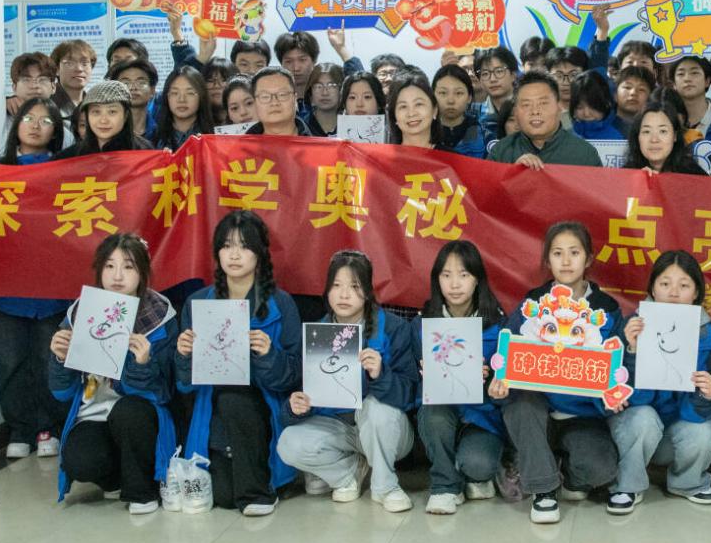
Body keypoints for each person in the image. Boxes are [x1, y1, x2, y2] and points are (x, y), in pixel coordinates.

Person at [489, 222, 622, 524]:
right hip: (539, 411)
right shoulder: (533, 304)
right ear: (547, 261)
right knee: (519, 406)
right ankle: (544, 489)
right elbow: (506, 353)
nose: (566, 261)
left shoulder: (606, 309)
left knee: (601, 470)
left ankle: (563, 471)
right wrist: (499, 379)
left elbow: (615, 369)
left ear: (588, 259)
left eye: (574, 252)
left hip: (582, 416)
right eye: (557, 253)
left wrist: (611, 395)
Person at [175, 212, 301, 516]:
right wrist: (184, 355)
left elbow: (295, 376)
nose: (234, 255)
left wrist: (269, 355)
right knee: (223, 497)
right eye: (227, 246)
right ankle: (244, 479)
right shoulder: (198, 303)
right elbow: (183, 384)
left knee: (235, 398)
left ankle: (258, 494)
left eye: (244, 246)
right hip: (213, 408)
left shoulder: (281, 303)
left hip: (263, 403)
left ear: (259, 254)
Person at [277, 251, 417, 513]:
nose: (344, 295)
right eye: (336, 286)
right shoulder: (316, 333)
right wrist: (295, 406)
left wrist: (380, 375)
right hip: (339, 429)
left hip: (388, 432)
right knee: (288, 443)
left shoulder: (393, 327)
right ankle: (348, 474)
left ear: (368, 292)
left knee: (377, 409)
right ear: (327, 290)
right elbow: (297, 395)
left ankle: (385, 486)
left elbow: (410, 395)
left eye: (354, 287)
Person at [48, 234, 177, 514]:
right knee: (79, 460)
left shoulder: (159, 317)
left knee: (129, 412)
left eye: (128, 267)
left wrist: (142, 363)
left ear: (143, 273)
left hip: (140, 413)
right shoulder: (82, 311)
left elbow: (165, 392)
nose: (117, 276)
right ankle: (114, 479)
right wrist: (60, 358)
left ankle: (143, 492)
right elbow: (61, 392)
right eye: (109, 266)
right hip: (94, 411)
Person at [0, 100, 69, 461]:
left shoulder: (67, 171)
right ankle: (20, 429)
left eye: (46, 120)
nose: (36, 125)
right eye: (29, 118)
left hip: (52, 287)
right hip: (7, 287)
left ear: (57, 130)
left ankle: (49, 427)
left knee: (50, 359)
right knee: (12, 362)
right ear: (16, 123)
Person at [608, 251, 711, 513]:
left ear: (696, 292)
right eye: (665, 283)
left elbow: (699, 414)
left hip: (674, 436)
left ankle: (687, 483)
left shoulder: (708, 334)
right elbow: (627, 400)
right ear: (652, 289)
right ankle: (628, 486)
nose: (673, 293)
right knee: (644, 417)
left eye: (684, 285)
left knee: (705, 430)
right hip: (635, 430)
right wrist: (632, 352)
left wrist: (707, 395)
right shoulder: (632, 327)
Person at [411, 241, 507, 514]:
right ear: (437, 280)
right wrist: (426, 377)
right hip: (440, 414)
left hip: (482, 418)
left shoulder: (498, 325)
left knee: (478, 465)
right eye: (446, 275)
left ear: (477, 279)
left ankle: (472, 472)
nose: (455, 284)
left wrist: (489, 380)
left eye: (463, 275)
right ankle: (445, 486)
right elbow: (411, 386)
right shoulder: (422, 324)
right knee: (434, 414)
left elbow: (507, 390)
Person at [489, 73, 602, 168]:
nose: (535, 111)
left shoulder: (584, 154)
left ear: (559, 107)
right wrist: (513, 174)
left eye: (543, 103)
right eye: (526, 105)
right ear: (516, 112)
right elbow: (487, 187)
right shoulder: (500, 152)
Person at [55, 81, 154, 159]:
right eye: (96, 112)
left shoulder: (144, 152)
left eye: (112, 112)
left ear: (125, 115)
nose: (103, 120)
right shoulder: (70, 157)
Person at [623, 101, 707, 175]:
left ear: (675, 136)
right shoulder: (626, 175)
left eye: (663, 131)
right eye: (647, 131)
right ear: (637, 136)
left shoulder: (693, 175)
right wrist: (637, 183)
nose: (654, 140)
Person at [671, 55, 711, 144]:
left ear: (707, 81)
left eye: (694, 73)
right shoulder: (668, 120)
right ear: (674, 84)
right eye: (681, 74)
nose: (687, 79)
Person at [432, 65, 486, 159]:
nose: (451, 100)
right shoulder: (424, 132)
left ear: (469, 98)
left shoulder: (483, 132)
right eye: (443, 93)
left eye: (458, 93)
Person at [155, 66, 214, 150]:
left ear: (201, 96)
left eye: (190, 93)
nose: (182, 100)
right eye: (175, 93)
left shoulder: (214, 135)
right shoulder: (154, 137)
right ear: (167, 96)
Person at [3, 52, 60, 133]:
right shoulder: (0, 121)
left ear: (53, 87)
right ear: (14, 87)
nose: (34, 86)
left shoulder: (64, 127)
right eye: (26, 80)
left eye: (42, 79)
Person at [246, 66, 310, 137]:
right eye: (265, 96)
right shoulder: (240, 143)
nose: (274, 103)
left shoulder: (317, 142)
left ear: (295, 99)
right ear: (255, 103)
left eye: (282, 94)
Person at [108, 58, 159, 142]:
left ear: (152, 90)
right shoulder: (106, 131)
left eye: (141, 83)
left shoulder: (162, 133)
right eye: (126, 83)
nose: (133, 88)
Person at [387, 73, 442, 150]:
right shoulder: (382, 157)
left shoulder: (451, 156)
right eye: (403, 106)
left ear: (434, 110)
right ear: (394, 116)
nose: (411, 113)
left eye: (418, 104)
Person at [474, 47, 519, 141]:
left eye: (499, 71)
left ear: (513, 75)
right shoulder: (476, 116)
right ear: (480, 81)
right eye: (485, 74)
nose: (493, 79)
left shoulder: (527, 109)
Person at [50, 39, 98, 125]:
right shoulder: (46, 104)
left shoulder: (95, 104)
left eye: (84, 63)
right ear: (56, 69)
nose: (79, 69)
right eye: (69, 63)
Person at [570, 70, 625, 142]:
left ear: (606, 104)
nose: (586, 114)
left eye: (593, 107)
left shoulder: (615, 139)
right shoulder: (565, 134)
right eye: (579, 107)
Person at [303, 63, 344, 137]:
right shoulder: (301, 126)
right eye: (318, 86)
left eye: (331, 86)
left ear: (341, 90)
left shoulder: (352, 126)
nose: (325, 93)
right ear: (310, 93)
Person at [613, 65, 656, 136]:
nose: (633, 93)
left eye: (641, 89)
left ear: (650, 97)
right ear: (615, 94)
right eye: (627, 87)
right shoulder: (600, 127)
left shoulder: (656, 130)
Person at [546, 45, 589, 111]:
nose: (566, 82)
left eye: (573, 75)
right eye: (559, 76)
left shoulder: (595, 112)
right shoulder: (540, 112)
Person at [203, 58, 236, 126]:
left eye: (224, 80)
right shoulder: (196, 123)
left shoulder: (248, 117)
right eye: (210, 80)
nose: (217, 85)